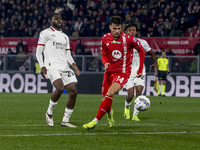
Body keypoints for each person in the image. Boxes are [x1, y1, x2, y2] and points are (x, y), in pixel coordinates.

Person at [83, 16, 145, 129]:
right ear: (110, 27)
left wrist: (140, 69)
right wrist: (105, 62)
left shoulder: (129, 39)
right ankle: (110, 113)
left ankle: (95, 121)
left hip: (122, 73)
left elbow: (141, 50)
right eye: (115, 28)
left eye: (119, 28)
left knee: (110, 93)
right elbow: (103, 54)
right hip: (108, 73)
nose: (117, 31)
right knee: (104, 99)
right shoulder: (105, 38)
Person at [36, 13, 80, 128]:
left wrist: (73, 64)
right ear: (51, 20)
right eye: (56, 19)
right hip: (52, 65)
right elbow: (38, 51)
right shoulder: (45, 33)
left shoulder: (65, 36)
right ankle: (49, 113)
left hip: (64, 66)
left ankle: (65, 120)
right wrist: (42, 66)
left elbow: (68, 54)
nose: (59, 20)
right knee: (60, 88)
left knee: (73, 92)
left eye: (60, 19)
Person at [123, 23, 158, 121]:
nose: (131, 31)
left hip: (140, 71)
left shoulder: (142, 42)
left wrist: (155, 62)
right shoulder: (123, 43)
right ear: (126, 32)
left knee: (139, 93)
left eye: (133, 30)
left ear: (137, 31)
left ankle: (135, 115)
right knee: (130, 95)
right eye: (129, 30)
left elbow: (151, 53)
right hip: (128, 71)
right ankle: (126, 107)